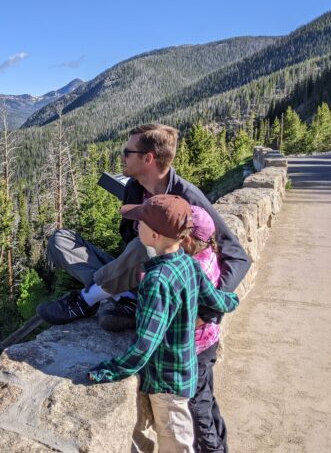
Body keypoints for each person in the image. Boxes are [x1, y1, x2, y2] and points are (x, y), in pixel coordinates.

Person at [37, 123, 250, 331]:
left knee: (146, 246)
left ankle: (86, 299)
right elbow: (126, 235)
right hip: (133, 270)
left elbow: (238, 256)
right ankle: (123, 297)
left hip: (164, 281)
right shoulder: (134, 188)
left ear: (148, 158)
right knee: (61, 240)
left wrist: (209, 309)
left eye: (127, 152)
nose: (122, 157)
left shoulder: (187, 198)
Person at [87, 194, 240, 453]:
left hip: (167, 383)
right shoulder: (190, 264)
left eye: (141, 223)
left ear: (155, 236)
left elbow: (145, 343)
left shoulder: (156, 281)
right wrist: (232, 299)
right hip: (186, 367)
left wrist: (110, 371)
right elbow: (215, 299)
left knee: (177, 445)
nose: (137, 227)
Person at [182, 205, 229, 453]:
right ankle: (221, 442)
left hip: (196, 345)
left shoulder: (193, 269)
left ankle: (212, 448)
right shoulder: (209, 254)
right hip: (209, 342)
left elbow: (186, 312)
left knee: (198, 405)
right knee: (207, 396)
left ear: (188, 240)